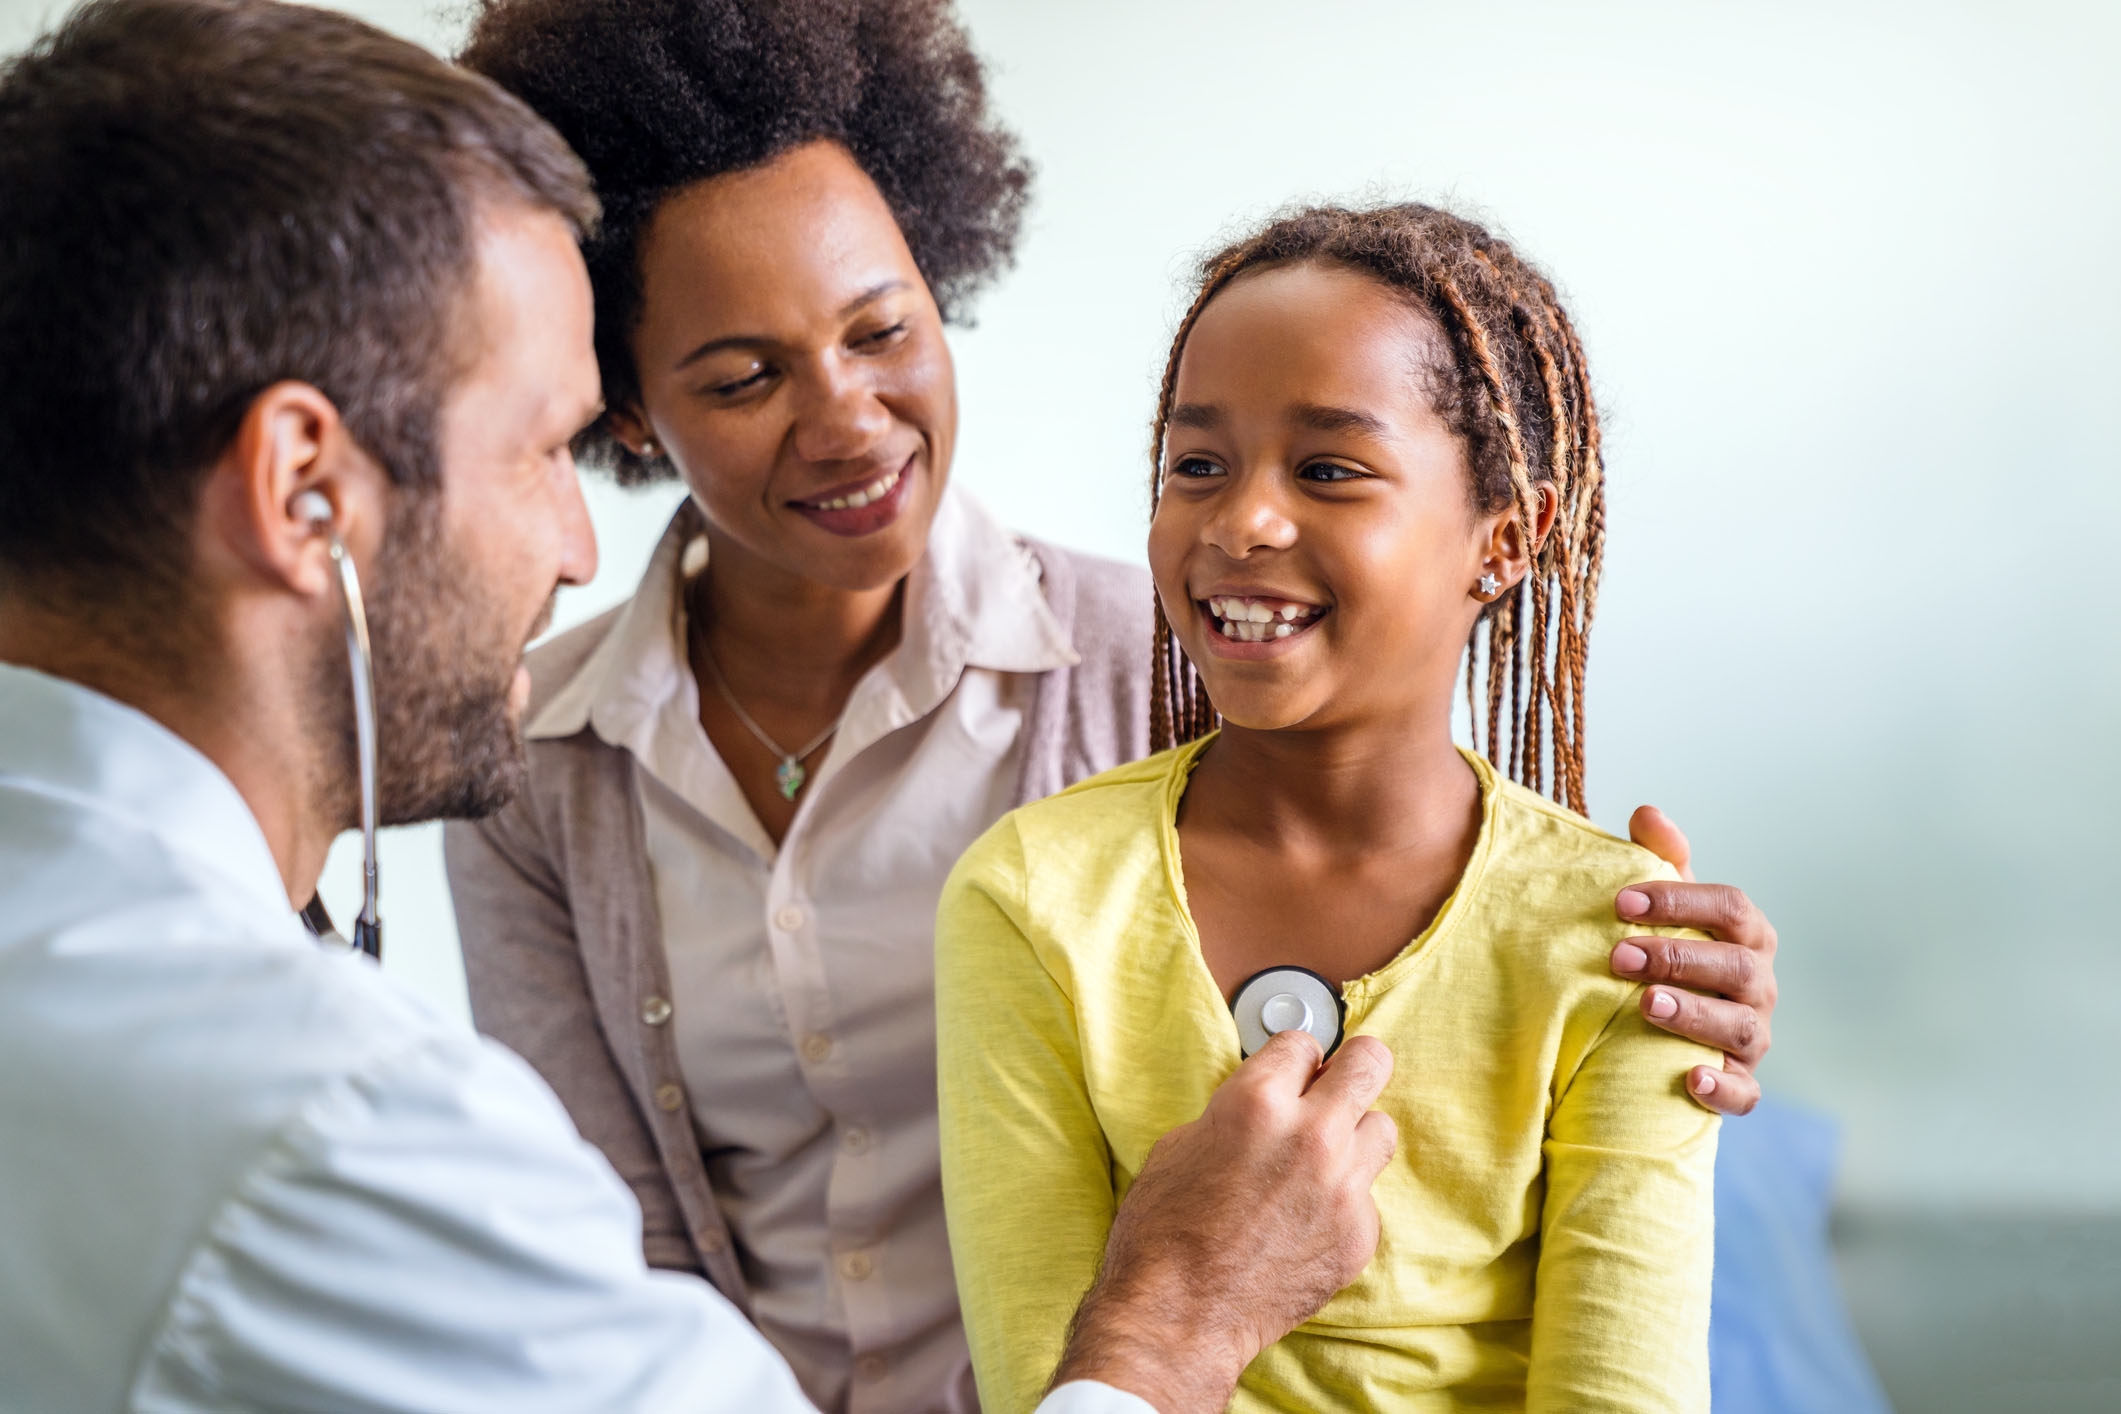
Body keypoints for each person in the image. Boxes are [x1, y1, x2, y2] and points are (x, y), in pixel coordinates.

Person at [0, 3, 1397, 1410]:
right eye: (544, 445)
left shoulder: (1173, 664)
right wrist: (1168, 1331)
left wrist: (1590, 952)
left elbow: (1405, 973)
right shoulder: (351, 1120)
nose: (574, 546)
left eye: (880, 330)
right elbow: (613, 1279)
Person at [443, 3, 1782, 1409]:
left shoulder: (1186, 660)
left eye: (882, 329)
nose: (845, 419)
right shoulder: (531, 755)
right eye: (741, 377)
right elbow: (605, 1250)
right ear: (627, 408)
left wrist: (1678, 982)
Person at [937, 203, 1718, 1411]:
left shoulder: (1619, 940)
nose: (1240, 520)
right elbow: (1051, 1384)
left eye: (1328, 469)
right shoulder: (1032, 899)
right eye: (1196, 465)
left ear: (1505, 537)